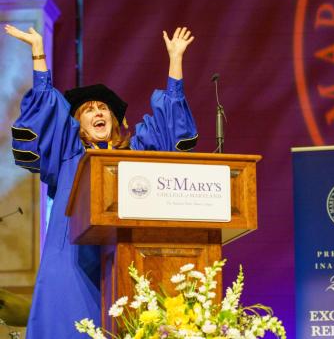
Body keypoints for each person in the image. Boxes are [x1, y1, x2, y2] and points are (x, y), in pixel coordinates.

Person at [5, 24, 198, 338]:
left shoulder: (135, 153)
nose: (98, 112)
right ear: (78, 123)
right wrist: (39, 54)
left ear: (114, 120)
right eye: (89, 109)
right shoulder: (68, 153)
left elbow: (169, 130)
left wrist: (175, 61)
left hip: (124, 261)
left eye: (103, 107)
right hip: (72, 262)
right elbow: (49, 111)